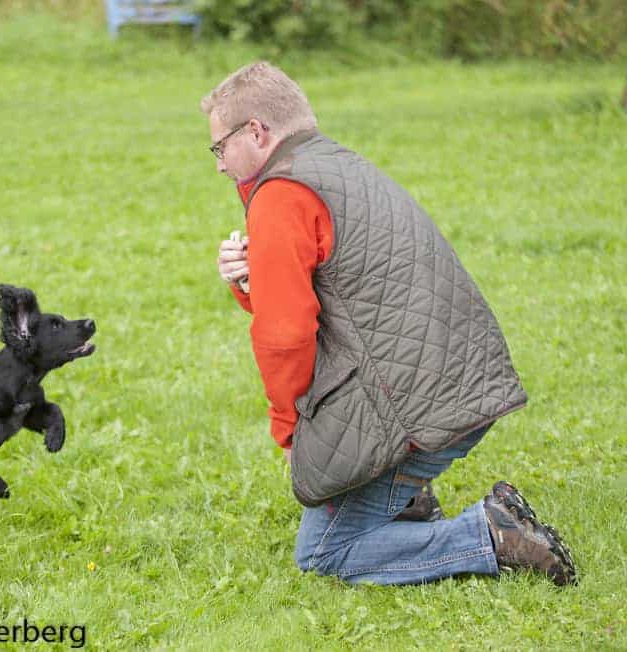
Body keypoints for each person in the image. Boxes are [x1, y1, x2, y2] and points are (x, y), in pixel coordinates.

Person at [202, 61, 577, 586]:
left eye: (219, 147)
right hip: (456, 374)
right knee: (341, 507)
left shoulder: (282, 195)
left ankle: (490, 533)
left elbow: (285, 334)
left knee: (324, 551)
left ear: (257, 132)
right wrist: (249, 281)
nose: (219, 164)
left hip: (422, 400)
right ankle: (406, 502)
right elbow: (334, 298)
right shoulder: (333, 164)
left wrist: (291, 434)